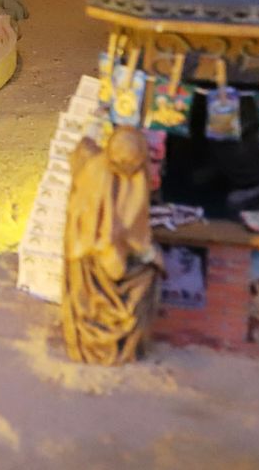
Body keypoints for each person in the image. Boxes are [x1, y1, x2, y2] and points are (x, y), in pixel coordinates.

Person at [61, 126, 162, 365]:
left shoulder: (129, 175)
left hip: (102, 251)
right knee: (145, 277)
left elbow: (128, 225)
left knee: (147, 271)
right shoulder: (98, 174)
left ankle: (118, 343)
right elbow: (107, 230)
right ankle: (113, 343)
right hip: (91, 255)